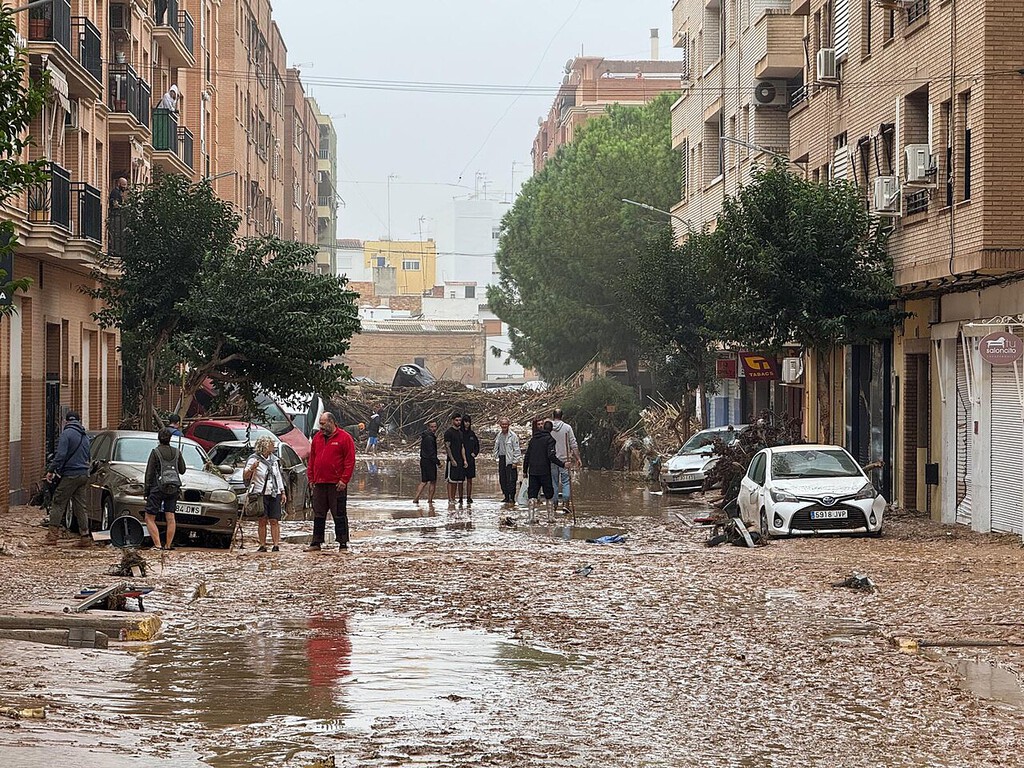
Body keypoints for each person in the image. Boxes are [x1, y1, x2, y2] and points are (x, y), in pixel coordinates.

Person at [306, 412, 356, 552]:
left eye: (323, 423)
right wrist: (311, 478)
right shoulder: (317, 438)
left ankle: (343, 543)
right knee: (318, 513)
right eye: (320, 424)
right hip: (319, 483)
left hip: (337, 484)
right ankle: (316, 542)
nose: (320, 427)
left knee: (339, 513)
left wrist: (344, 480)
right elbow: (312, 460)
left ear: (331, 422)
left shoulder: (345, 438)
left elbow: (349, 461)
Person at [45, 410, 92, 547]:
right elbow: (88, 456)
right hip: (84, 474)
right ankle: (85, 537)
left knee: (58, 502)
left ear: (66, 421)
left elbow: (60, 455)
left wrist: (51, 470)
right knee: (80, 506)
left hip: (71, 474)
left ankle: (52, 536)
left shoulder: (66, 434)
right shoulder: (85, 436)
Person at [142, 427, 185, 550]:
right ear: (170, 439)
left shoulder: (155, 452)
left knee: (149, 517)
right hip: (173, 488)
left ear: (158, 438)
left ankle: (157, 545)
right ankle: (168, 545)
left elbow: (149, 474)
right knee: (170, 517)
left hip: (157, 488)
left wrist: (146, 491)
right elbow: (182, 470)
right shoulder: (177, 452)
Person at [243, 436, 287, 552]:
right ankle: (262, 545)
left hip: (274, 493)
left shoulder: (274, 460)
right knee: (262, 520)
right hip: (260, 494)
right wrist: (252, 468)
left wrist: (282, 492)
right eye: (271, 444)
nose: (273, 447)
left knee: (274, 520)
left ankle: (276, 545)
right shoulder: (253, 460)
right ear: (265, 446)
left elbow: (278, 476)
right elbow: (245, 476)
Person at [523, 418, 564, 507]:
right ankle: (550, 517)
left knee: (532, 495)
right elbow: (551, 456)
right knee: (549, 494)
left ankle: (531, 517)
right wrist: (563, 464)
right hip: (545, 472)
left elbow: (527, 456)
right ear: (551, 429)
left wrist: (525, 470)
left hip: (533, 471)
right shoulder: (550, 440)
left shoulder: (533, 440)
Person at [549, 408, 581, 509]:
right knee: (566, 481)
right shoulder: (567, 428)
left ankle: (554, 504)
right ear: (562, 416)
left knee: (553, 482)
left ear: (553, 416)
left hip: (552, 460)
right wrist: (578, 458)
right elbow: (573, 444)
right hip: (565, 460)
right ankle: (566, 503)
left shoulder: (549, 428)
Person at [492, 417, 521, 504]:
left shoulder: (513, 436)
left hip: (510, 460)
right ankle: (506, 496)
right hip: (502, 459)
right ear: (500, 425)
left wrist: (515, 461)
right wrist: (495, 457)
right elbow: (496, 447)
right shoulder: (499, 435)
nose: (504, 426)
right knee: (502, 479)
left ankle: (512, 497)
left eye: (506, 424)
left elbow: (516, 449)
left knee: (511, 480)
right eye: (502, 424)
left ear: (508, 425)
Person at [413, 420, 441, 505]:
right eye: (432, 427)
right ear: (428, 427)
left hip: (423, 460)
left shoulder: (425, 436)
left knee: (424, 481)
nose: (434, 429)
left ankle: (416, 498)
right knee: (432, 481)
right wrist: (438, 463)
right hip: (429, 461)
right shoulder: (430, 438)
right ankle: (429, 500)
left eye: (435, 427)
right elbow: (432, 453)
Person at [443, 413, 467, 508]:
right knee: (450, 480)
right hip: (451, 460)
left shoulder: (460, 433)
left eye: (459, 420)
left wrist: (464, 460)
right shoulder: (448, 432)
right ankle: (450, 499)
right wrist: (452, 459)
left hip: (460, 460)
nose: (458, 422)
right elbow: (447, 447)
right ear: (452, 420)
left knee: (457, 480)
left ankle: (454, 498)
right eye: (456, 420)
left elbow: (462, 447)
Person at [459, 414, 480, 506]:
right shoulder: (459, 433)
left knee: (470, 479)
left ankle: (468, 497)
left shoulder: (472, 434)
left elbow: (477, 445)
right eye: (465, 421)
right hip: (461, 460)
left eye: (468, 422)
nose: (467, 424)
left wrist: (475, 453)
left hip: (470, 460)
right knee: (460, 480)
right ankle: (460, 497)